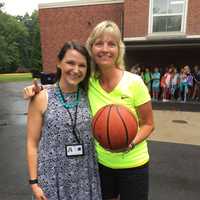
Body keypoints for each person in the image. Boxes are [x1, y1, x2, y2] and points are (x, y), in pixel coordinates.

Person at [24, 21, 154, 200]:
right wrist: (36, 89)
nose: (105, 49)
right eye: (99, 43)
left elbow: (148, 124)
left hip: (133, 163)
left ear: (119, 49)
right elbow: (63, 85)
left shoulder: (134, 82)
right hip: (101, 165)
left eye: (111, 44)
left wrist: (129, 143)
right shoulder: (89, 83)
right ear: (91, 48)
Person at [26, 41, 102, 200]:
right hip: (53, 178)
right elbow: (32, 143)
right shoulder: (41, 97)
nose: (76, 70)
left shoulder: (89, 95)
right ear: (59, 63)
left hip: (85, 177)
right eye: (70, 63)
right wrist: (34, 183)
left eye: (82, 65)